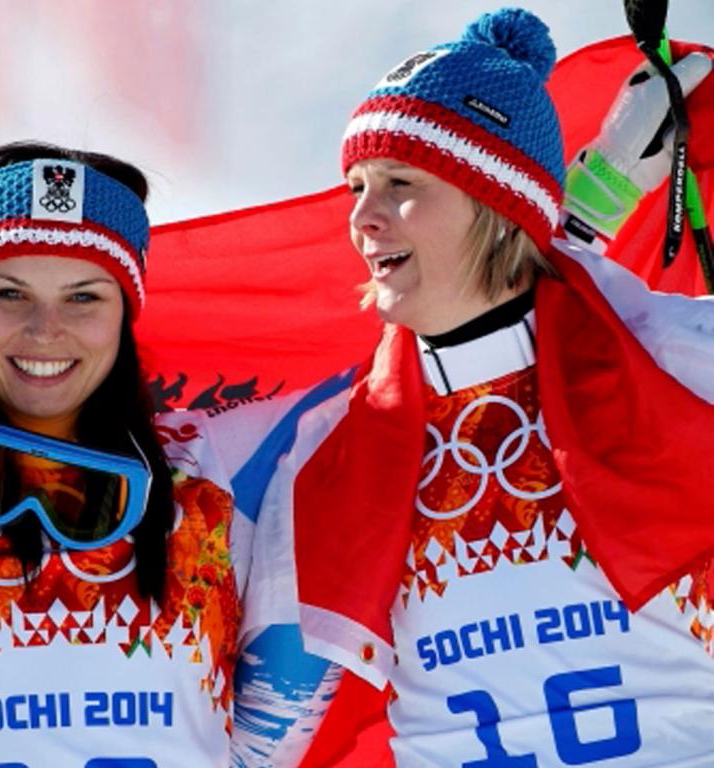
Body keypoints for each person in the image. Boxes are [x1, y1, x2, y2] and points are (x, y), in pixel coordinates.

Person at [218, 8, 714, 765]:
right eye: (356, 187)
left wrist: (592, 201)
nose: (361, 218)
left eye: (399, 183)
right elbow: (262, 743)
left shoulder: (677, 364)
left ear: (495, 205)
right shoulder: (330, 455)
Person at [0, 141, 320, 767]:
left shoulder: (219, 465)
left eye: (84, 297)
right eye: (10, 294)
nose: (44, 329)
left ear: (125, 313)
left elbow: (392, 390)